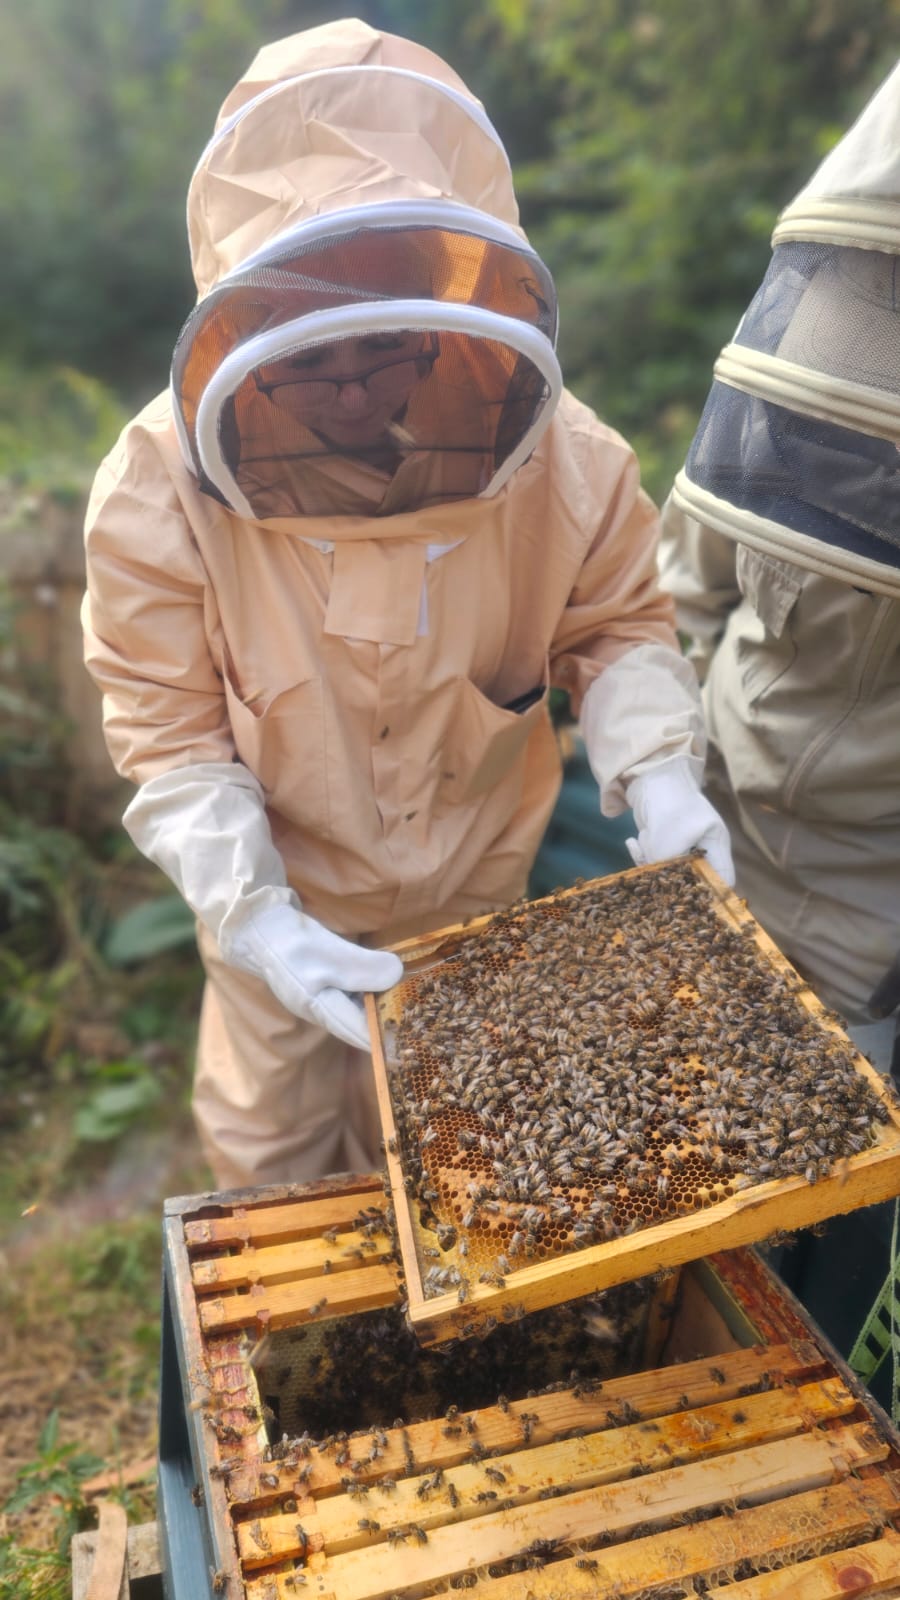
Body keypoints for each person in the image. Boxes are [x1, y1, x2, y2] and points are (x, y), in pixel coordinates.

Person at [82, 17, 733, 1191]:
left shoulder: (566, 460)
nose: (347, 393)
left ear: (442, 309)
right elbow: (168, 732)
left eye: (383, 349)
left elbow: (617, 629)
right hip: (280, 911)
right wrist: (256, 915)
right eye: (307, 360)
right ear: (249, 329)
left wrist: (659, 770)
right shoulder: (157, 488)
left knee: (467, 1171)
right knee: (276, 1172)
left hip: (475, 913)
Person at [658, 60, 900, 1073]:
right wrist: (669, 770)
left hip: (871, 920)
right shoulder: (792, 401)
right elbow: (676, 599)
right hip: (717, 831)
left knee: (837, 1148)